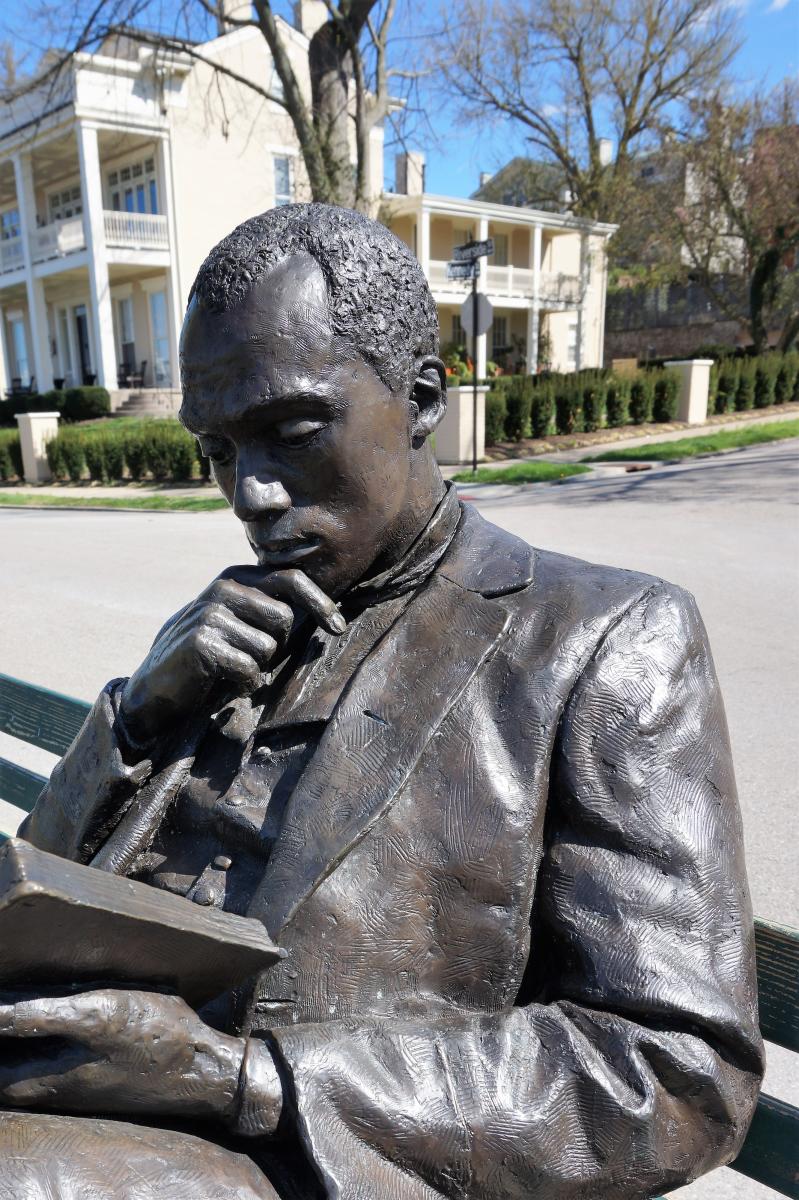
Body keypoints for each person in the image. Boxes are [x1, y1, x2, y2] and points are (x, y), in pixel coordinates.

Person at [0, 204, 763, 1200]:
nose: (251, 496)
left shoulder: (602, 639)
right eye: (220, 449)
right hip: (93, 1089)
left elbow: (675, 1072)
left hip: (316, 1156)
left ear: (420, 397)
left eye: (289, 430)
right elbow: (40, 887)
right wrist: (140, 713)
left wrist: (240, 1078)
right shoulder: (225, 628)